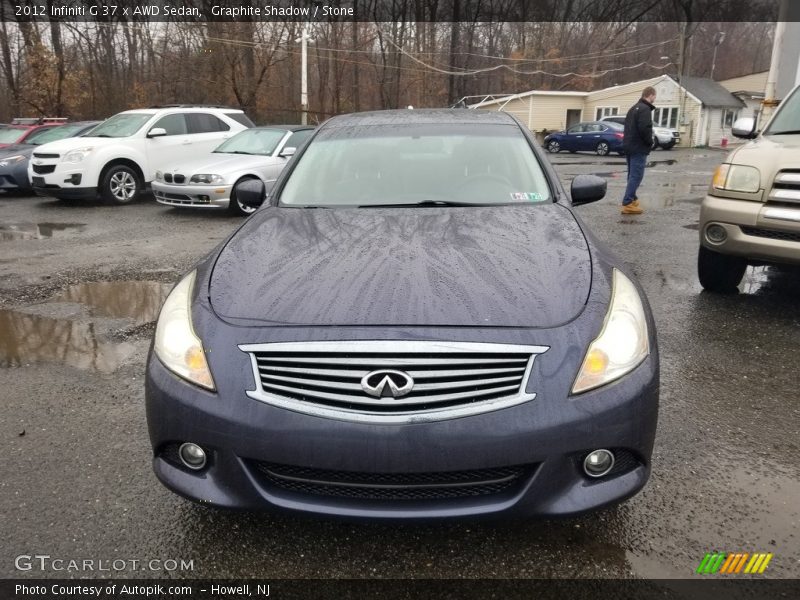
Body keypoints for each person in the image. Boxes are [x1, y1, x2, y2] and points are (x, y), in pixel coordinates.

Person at [621, 86, 657, 214]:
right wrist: (650, 142)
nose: (655, 99)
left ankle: (633, 198)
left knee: (632, 175)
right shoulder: (644, 109)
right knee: (637, 175)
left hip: (629, 146)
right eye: (654, 96)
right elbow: (644, 128)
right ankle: (628, 202)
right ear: (651, 95)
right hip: (638, 147)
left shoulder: (633, 108)